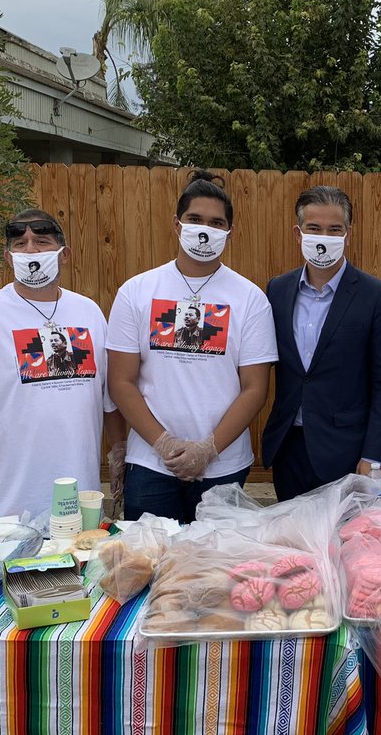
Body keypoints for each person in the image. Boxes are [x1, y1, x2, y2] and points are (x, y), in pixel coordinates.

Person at [107, 171, 277, 523]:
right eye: (195, 219)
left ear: (229, 232)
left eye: (217, 223)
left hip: (223, 465)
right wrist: (164, 444)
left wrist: (208, 449)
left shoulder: (250, 299)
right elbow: (121, 382)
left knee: (214, 571)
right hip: (152, 464)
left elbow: (255, 388)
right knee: (153, 570)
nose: (205, 230)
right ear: (176, 224)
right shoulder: (136, 291)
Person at [0, 209, 125, 520]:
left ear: (65, 255)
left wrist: (119, 452)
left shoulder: (88, 313)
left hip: (80, 504)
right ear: (8, 258)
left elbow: (110, 400)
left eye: (42, 241)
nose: (31, 250)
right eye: (20, 244)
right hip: (9, 510)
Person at [262, 186, 381, 500]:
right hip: (288, 448)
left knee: (347, 546)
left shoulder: (378, 296)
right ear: (298, 234)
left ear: (347, 235)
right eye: (314, 229)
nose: (323, 237)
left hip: (347, 453)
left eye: (333, 229)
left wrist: (374, 456)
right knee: (295, 546)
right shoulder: (278, 290)